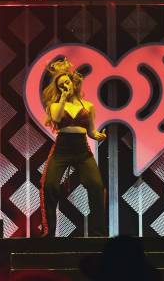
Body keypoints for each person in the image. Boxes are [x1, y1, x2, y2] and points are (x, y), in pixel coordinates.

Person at [40, 59, 107, 237]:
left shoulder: (88, 106)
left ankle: (98, 233)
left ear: (73, 81)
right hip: (62, 148)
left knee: (96, 185)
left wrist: (98, 135)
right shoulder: (55, 105)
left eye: (66, 82)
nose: (65, 86)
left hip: (81, 149)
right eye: (61, 85)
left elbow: (91, 131)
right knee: (50, 186)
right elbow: (56, 117)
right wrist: (62, 97)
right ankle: (50, 232)